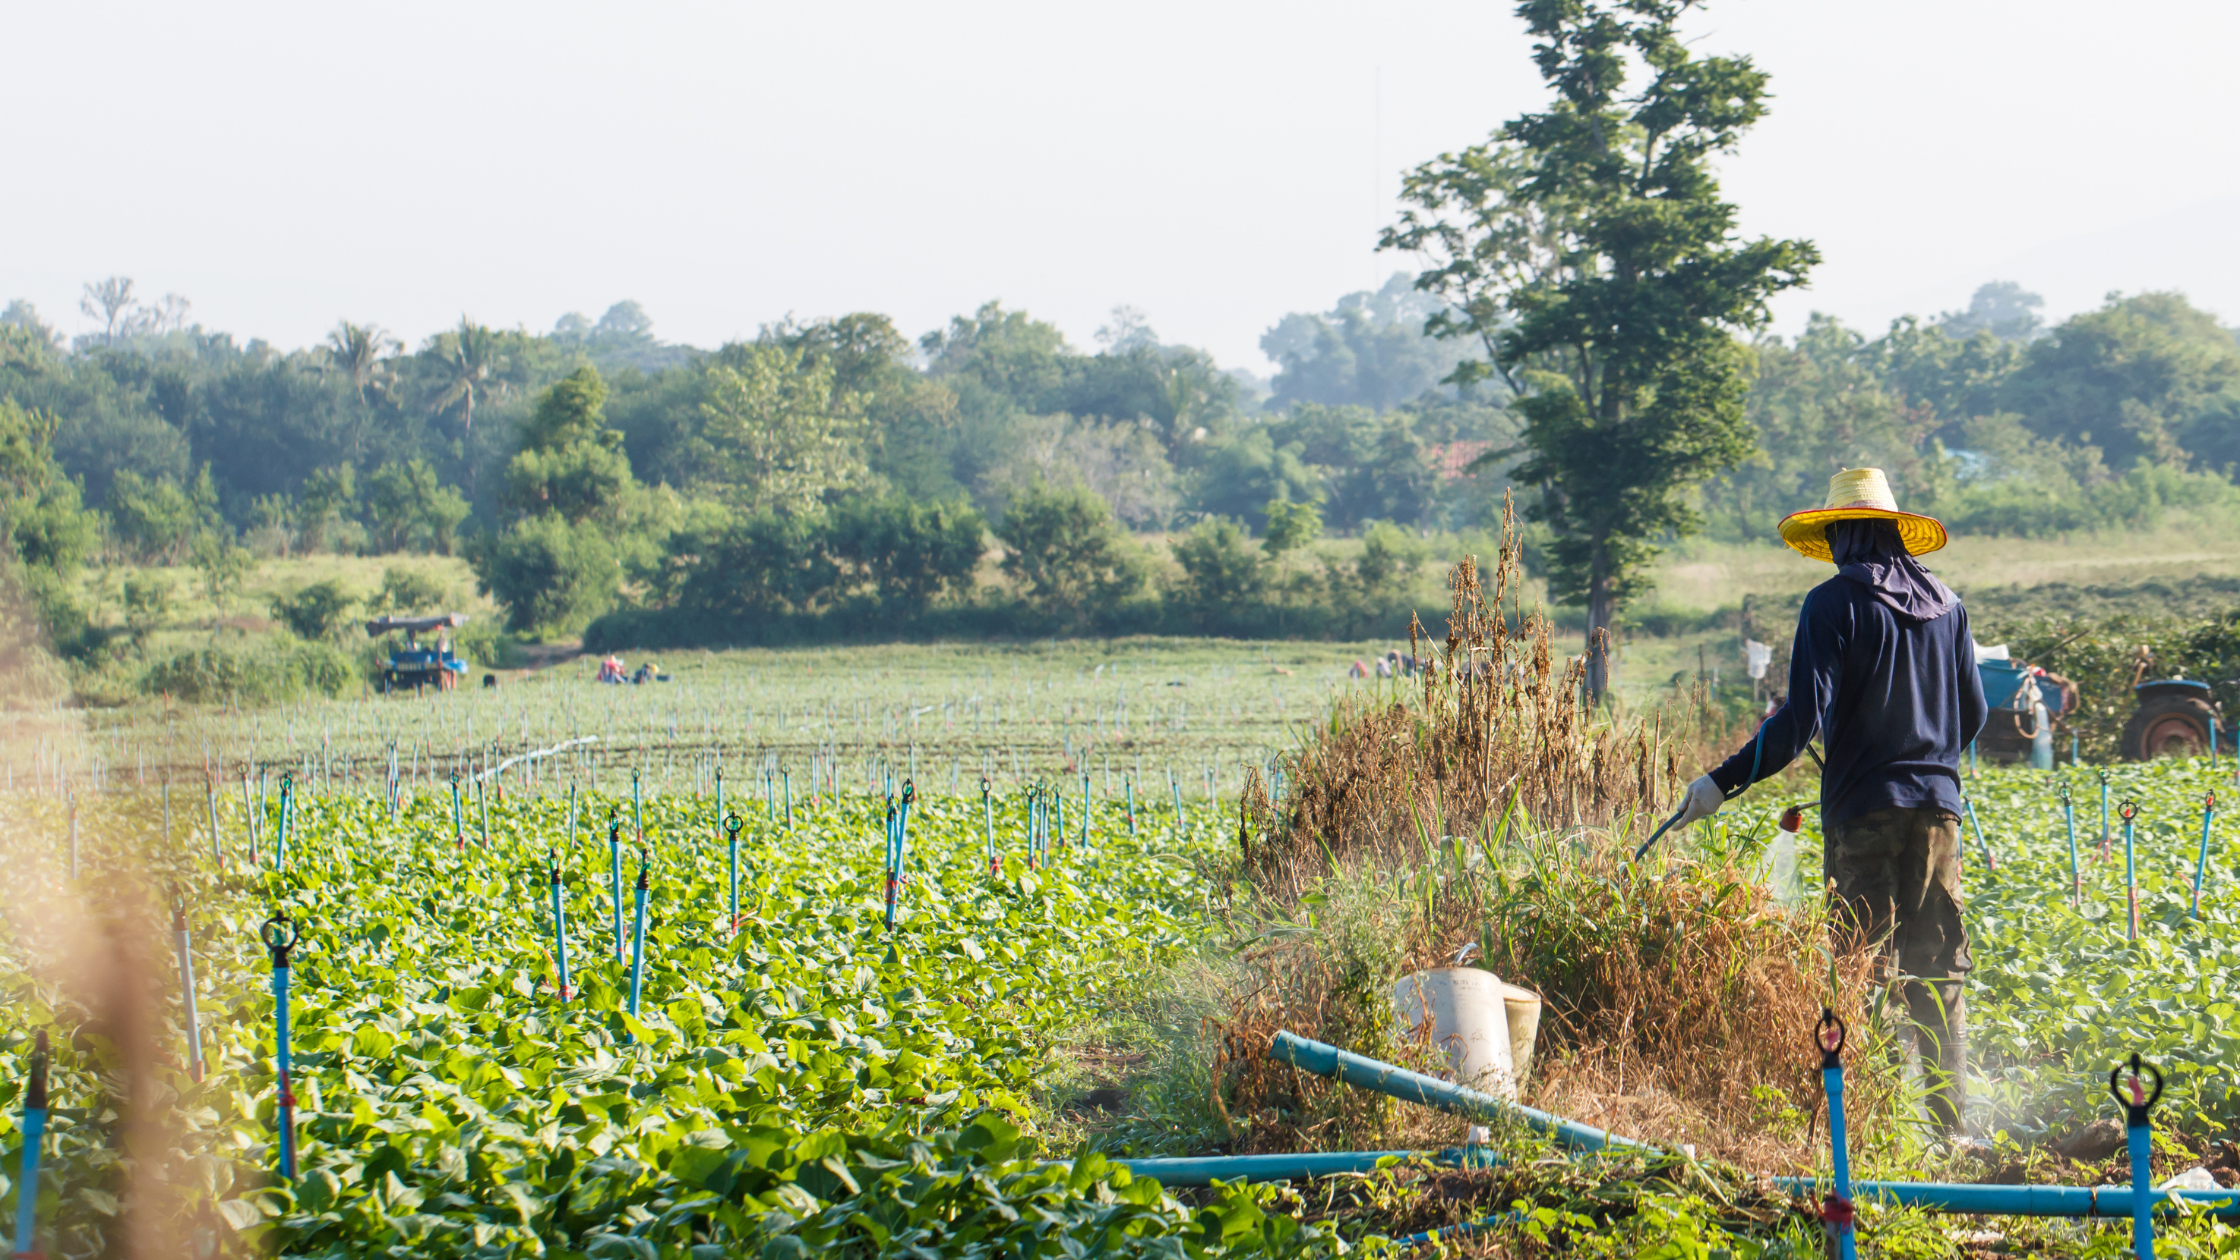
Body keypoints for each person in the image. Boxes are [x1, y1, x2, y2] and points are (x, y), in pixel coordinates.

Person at [1671, 467, 1987, 1134]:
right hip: (1938, 808)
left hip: (1862, 810)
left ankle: (1862, 1126)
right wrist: (1926, 758)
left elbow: (1795, 727)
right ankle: (1951, 1128)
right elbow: (1974, 714)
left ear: (1842, 535)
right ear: (1896, 533)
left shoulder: (1832, 604)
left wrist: (1718, 784)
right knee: (1938, 967)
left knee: (1858, 968)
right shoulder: (1950, 607)